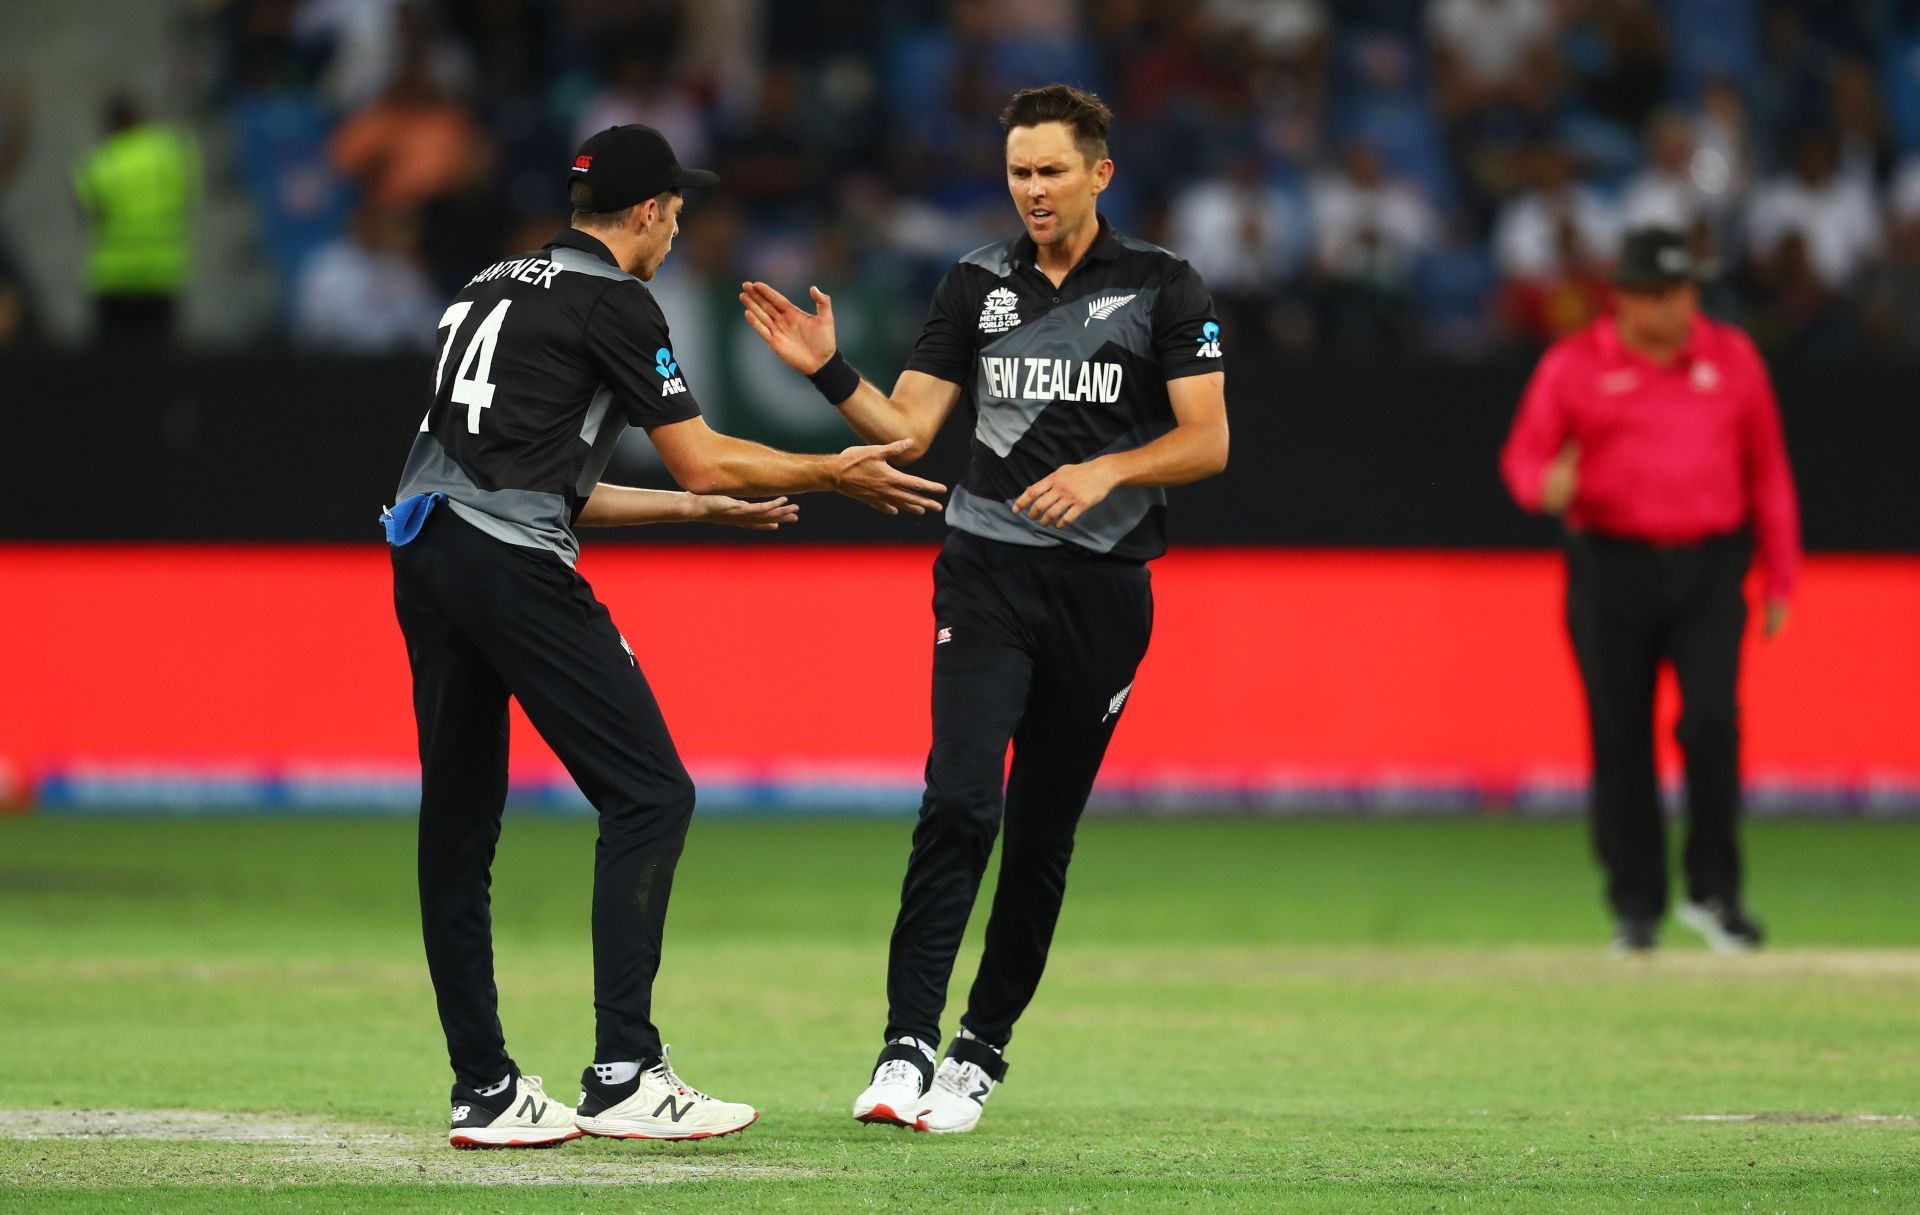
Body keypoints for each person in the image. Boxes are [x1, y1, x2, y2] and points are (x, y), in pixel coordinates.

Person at [384, 124, 946, 1149]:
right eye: (677, 207)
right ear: (646, 213)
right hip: (508, 562)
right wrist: (832, 471)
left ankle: (486, 1089)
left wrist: (700, 516)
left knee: (458, 828)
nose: (682, 223)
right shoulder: (616, 300)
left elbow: (540, 480)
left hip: (425, 553)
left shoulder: (491, 286)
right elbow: (705, 459)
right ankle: (625, 1071)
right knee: (652, 793)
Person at [740, 83, 1230, 1133]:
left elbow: (1208, 440)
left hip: (1104, 591)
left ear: (1100, 173)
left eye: (1052, 170)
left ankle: (979, 1052)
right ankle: (905, 1046)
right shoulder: (975, 283)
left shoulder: (1164, 285)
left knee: (1042, 833)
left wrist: (1106, 473)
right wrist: (830, 370)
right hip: (987, 571)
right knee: (960, 800)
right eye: (1018, 172)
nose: (1033, 190)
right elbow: (908, 428)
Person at [1500, 227, 1801, 956]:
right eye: (1667, 294)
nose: (1683, 307)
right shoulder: (1574, 365)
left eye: (1689, 290)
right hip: (1612, 568)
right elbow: (1524, 458)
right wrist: (1548, 486)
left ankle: (1715, 893)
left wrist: (1781, 573)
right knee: (1621, 735)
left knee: (1710, 725)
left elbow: (1768, 470)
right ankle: (1636, 906)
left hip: (1709, 567)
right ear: (1627, 300)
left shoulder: (1732, 358)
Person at [73, 92, 199, 345]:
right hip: (162, 272)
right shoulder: (169, 153)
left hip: (113, 276)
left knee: (114, 367)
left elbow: (87, 214)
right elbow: (189, 192)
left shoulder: (98, 163)